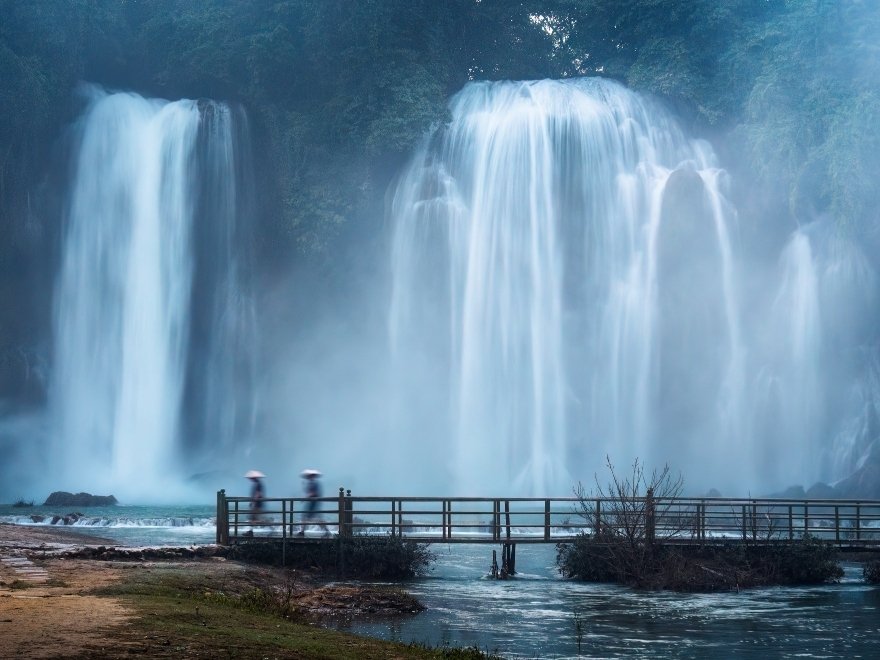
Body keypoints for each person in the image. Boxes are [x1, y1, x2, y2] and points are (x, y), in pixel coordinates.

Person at [297, 469, 329, 536]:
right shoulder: (311, 483)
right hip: (311, 502)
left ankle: (327, 531)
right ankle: (302, 531)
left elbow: (314, 493)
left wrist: (306, 497)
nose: (308, 477)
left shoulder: (315, 483)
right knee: (310, 517)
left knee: (316, 518)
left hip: (314, 503)